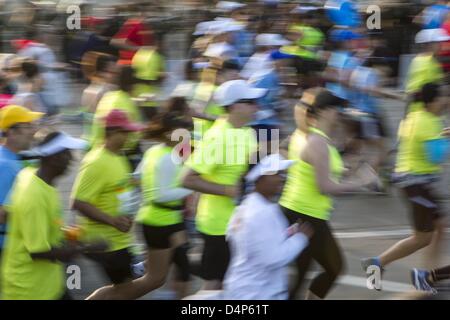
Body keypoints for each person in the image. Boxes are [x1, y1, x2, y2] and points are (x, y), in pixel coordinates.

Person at [86, 97, 194, 300]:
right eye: (184, 131)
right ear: (171, 134)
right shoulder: (166, 157)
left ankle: (142, 270)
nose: (188, 135)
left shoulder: (157, 151)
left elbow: (136, 178)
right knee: (153, 280)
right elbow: (160, 194)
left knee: (179, 267)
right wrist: (192, 189)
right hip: (160, 220)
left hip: (163, 219)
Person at [279, 88, 378, 300]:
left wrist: (348, 168)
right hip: (306, 215)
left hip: (299, 211)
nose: (339, 112)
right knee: (335, 267)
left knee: (302, 273)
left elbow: (319, 169)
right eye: (335, 108)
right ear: (322, 112)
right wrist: (360, 182)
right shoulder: (318, 142)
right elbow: (325, 186)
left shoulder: (309, 136)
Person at [182, 79, 266, 290]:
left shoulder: (245, 130)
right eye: (251, 102)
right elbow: (187, 178)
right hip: (219, 226)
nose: (257, 106)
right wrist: (227, 190)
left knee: (231, 282)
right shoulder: (218, 137)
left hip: (238, 223)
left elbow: (245, 170)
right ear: (235, 106)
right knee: (214, 284)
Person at [362, 83, 449, 283]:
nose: (446, 100)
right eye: (443, 96)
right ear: (432, 101)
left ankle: (427, 274)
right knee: (423, 237)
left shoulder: (414, 115)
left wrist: (442, 136)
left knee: (440, 227)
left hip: (414, 182)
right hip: (415, 184)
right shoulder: (428, 122)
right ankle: (378, 263)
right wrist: (446, 139)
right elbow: (435, 157)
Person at [0, 131, 88, 300]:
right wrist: (83, 248)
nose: (71, 160)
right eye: (67, 154)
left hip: (49, 284)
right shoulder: (34, 196)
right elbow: (38, 251)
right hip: (29, 290)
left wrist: (62, 232)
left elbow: (15, 215)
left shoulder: (30, 175)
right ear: (54, 158)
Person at [71, 109, 145, 298]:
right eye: (125, 132)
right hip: (106, 243)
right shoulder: (96, 161)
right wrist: (113, 221)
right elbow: (78, 202)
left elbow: (117, 189)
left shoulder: (118, 156)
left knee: (124, 292)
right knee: (124, 292)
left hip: (119, 240)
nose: (129, 136)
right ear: (111, 132)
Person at [223, 153, 313, 300]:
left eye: (283, 173)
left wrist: (286, 234)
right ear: (259, 177)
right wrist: (300, 239)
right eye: (276, 173)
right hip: (259, 294)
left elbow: (248, 241)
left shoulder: (245, 207)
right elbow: (273, 258)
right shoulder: (263, 212)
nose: (282, 178)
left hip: (241, 289)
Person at [0, 105, 43, 257]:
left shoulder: (10, 159)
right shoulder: (6, 165)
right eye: (28, 126)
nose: (33, 131)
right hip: (6, 250)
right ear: (11, 131)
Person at [90, 65, 143, 169]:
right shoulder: (126, 102)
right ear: (132, 85)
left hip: (97, 150)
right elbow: (131, 138)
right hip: (114, 153)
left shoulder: (108, 97)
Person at [405, 28, 449, 113]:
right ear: (429, 45)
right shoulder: (427, 63)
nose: (441, 46)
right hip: (423, 111)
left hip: (421, 111)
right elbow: (416, 91)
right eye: (438, 43)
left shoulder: (419, 59)